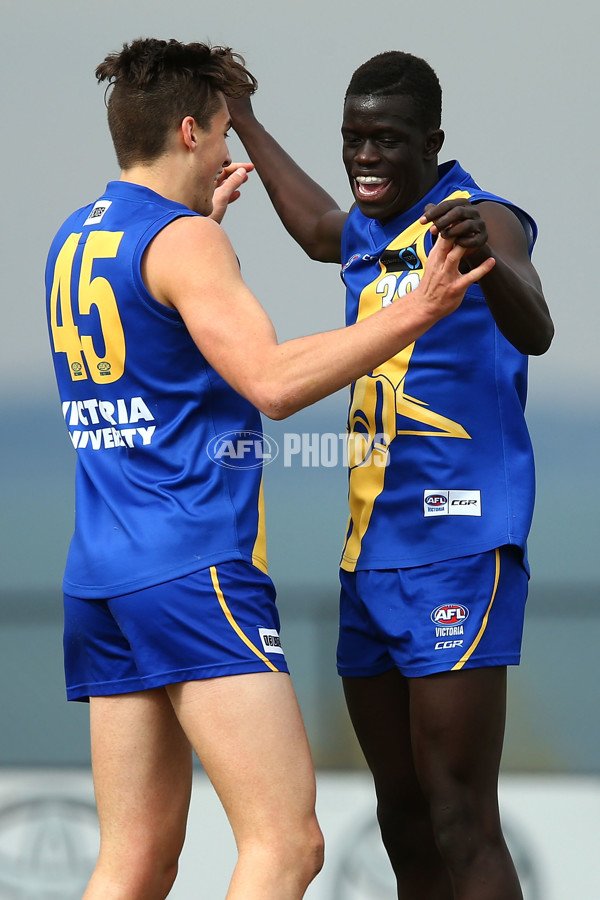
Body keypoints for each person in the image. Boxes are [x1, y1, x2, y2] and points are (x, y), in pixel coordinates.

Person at [44, 40, 492, 900]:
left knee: (130, 862)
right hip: (191, 573)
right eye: (219, 132)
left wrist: (197, 227)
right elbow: (275, 383)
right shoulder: (181, 243)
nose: (226, 151)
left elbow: (153, 354)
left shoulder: (75, 239)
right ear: (186, 130)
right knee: (286, 844)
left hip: (99, 580)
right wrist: (420, 308)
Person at [227, 50, 553, 900]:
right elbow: (311, 228)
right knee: (401, 815)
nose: (366, 157)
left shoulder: (478, 215)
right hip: (370, 558)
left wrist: (483, 258)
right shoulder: (369, 228)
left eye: (386, 140)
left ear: (433, 142)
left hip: (460, 545)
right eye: (353, 139)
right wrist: (244, 118)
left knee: (459, 818)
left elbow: (538, 324)